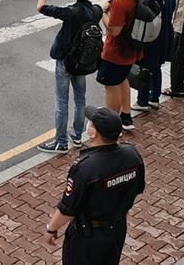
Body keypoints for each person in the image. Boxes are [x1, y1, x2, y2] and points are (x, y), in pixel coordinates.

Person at [42, 106, 145, 264]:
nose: (88, 125)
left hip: (87, 236)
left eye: (91, 124)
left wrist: (51, 228)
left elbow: (68, 208)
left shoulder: (85, 168)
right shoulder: (132, 156)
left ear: (94, 132)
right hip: (117, 229)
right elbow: (136, 189)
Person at [36, 0, 97, 153]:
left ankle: (60, 142)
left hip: (65, 61)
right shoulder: (96, 11)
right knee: (80, 99)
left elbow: (41, 7)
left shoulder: (69, 13)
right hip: (82, 62)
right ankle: (77, 135)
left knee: (62, 101)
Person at [101, 0, 145, 130]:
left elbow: (114, 30)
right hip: (134, 47)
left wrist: (102, 13)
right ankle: (126, 116)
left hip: (116, 51)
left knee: (111, 85)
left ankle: (112, 126)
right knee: (123, 78)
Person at [135, 0, 176, 111]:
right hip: (165, 34)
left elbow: (146, 8)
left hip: (154, 36)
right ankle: (154, 97)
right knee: (156, 67)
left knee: (145, 68)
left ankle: (143, 100)